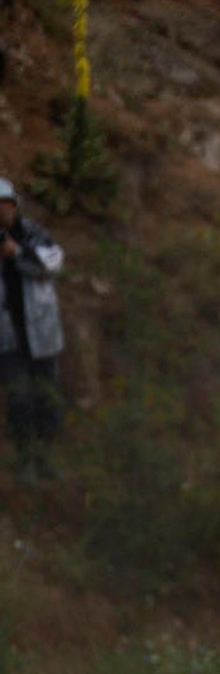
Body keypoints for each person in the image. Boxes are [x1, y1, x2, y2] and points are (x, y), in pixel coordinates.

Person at [0, 177, 65, 480]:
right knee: (19, 400)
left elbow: (53, 263)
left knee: (48, 398)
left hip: (42, 333)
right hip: (8, 338)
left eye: (6, 204)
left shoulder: (34, 233)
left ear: (15, 205)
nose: (2, 211)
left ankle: (46, 457)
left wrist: (17, 254)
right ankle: (26, 459)